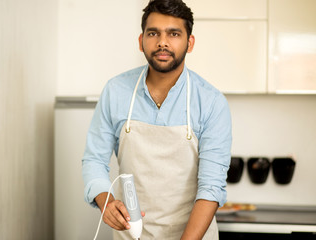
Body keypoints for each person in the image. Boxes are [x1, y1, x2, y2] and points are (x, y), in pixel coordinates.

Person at [82, 0, 232, 239]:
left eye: (174, 33)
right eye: (153, 33)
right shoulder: (116, 91)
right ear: (141, 41)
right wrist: (106, 202)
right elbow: (94, 160)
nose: (163, 42)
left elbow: (211, 188)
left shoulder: (211, 102)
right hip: (131, 234)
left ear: (189, 43)